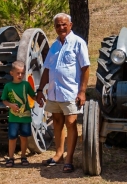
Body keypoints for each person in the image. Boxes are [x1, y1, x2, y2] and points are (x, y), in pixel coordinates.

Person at [36, 13, 90, 173]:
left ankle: (69, 159)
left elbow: (85, 68)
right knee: (57, 122)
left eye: (64, 24)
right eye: (58, 25)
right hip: (54, 92)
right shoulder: (54, 46)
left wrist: (82, 91)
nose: (61, 28)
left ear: (70, 25)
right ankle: (58, 154)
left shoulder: (78, 43)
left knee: (71, 123)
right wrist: (40, 90)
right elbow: (47, 69)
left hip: (70, 92)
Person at [1, 60, 36, 167]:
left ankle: (23, 157)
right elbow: (4, 100)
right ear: (12, 73)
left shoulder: (26, 85)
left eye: (22, 73)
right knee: (12, 137)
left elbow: (33, 96)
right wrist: (11, 105)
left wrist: (40, 97)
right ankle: (11, 158)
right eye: (18, 73)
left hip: (25, 118)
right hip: (13, 118)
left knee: (24, 137)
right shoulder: (8, 86)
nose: (20, 75)